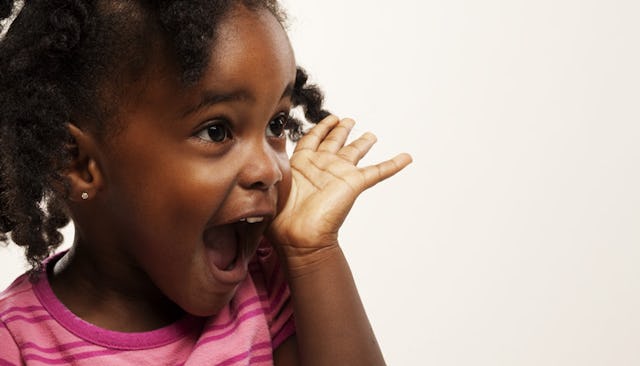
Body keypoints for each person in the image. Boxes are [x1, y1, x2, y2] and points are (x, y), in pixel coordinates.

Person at [0, 0, 412, 364]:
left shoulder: (270, 283)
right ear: (79, 162)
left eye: (276, 124)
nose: (269, 170)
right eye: (217, 131)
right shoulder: (15, 345)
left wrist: (312, 254)